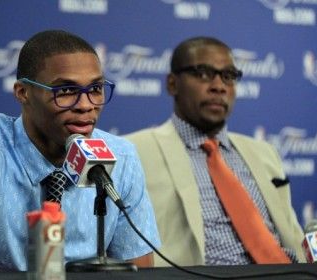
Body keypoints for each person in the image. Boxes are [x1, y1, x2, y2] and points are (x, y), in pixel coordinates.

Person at [0, 30, 160, 274]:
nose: (86, 106)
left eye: (95, 89)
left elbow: (139, 272)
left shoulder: (121, 157)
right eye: (65, 91)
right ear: (23, 93)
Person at [125, 36, 306, 266]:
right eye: (203, 73)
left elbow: (293, 233)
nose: (219, 86)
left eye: (228, 76)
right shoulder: (133, 152)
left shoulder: (264, 152)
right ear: (172, 83)